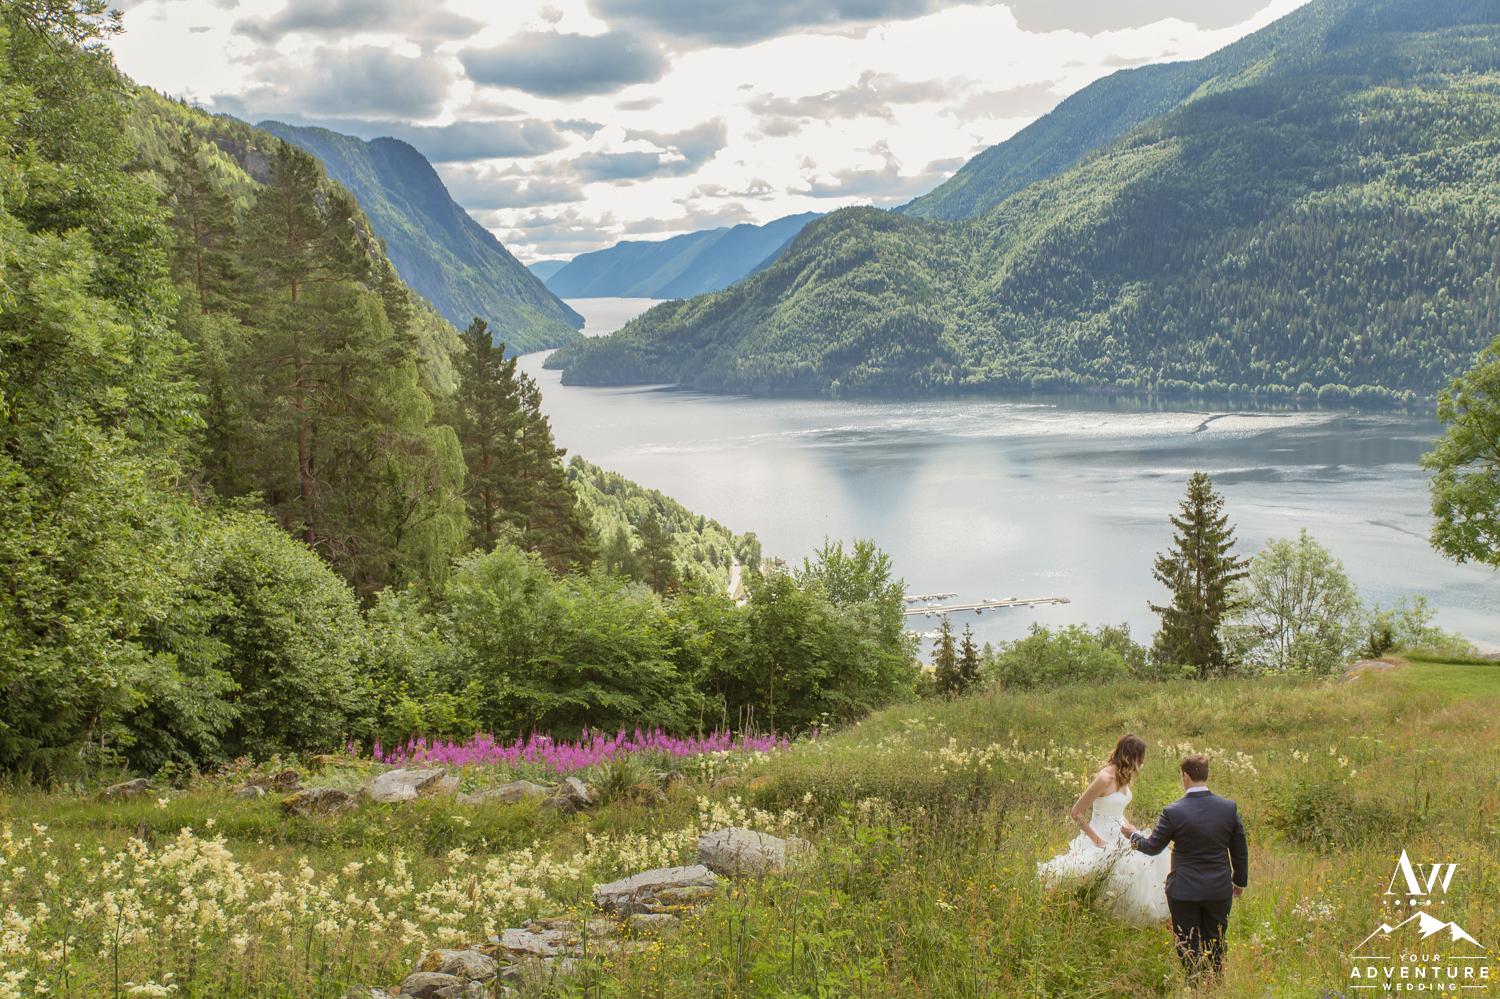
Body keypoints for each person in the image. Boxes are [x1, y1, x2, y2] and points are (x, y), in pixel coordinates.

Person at [1121, 754, 1249, 987]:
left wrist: (1133, 835)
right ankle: (1216, 986)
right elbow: (1240, 851)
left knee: (1188, 943)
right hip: (1218, 890)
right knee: (1216, 941)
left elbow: (1152, 847)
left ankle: (1195, 985)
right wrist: (1238, 882)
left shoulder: (1173, 811)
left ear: (1185, 777)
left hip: (1184, 891)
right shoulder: (1228, 808)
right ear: (1206, 776)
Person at [1036, 733, 1171, 924]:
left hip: (1120, 834)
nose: (1142, 761)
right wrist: (1096, 840)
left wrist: (1126, 826)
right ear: (1130, 755)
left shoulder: (1123, 776)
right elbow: (1076, 812)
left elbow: (1116, 808)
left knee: (1152, 862)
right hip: (1101, 837)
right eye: (1140, 757)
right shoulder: (1105, 778)